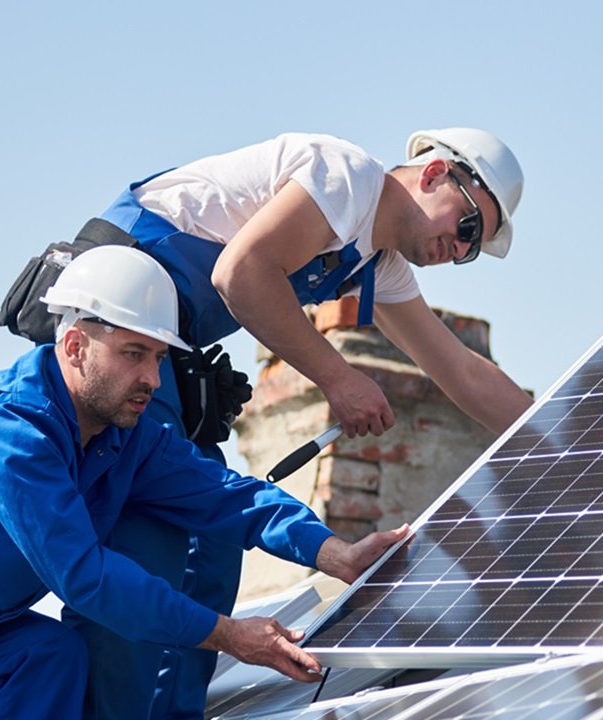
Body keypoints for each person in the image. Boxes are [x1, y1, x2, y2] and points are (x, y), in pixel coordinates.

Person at [0, 246, 406, 720]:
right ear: (73, 347)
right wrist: (229, 634)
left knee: (48, 654)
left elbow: (226, 496)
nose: (152, 379)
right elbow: (84, 577)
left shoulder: (129, 437)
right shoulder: (10, 432)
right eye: (133, 354)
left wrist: (333, 553)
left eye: (158, 358)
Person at [40, 129, 536, 719]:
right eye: (469, 227)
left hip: (167, 351)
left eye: (471, 249)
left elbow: (461, 371)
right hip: (119, 337)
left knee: (215, 550)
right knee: (152, 543)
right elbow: (241, 273)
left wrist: (568, 436)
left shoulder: (377, 262)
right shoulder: (345, 176)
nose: (459, 250)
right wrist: (340, 378)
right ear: (434, 175)